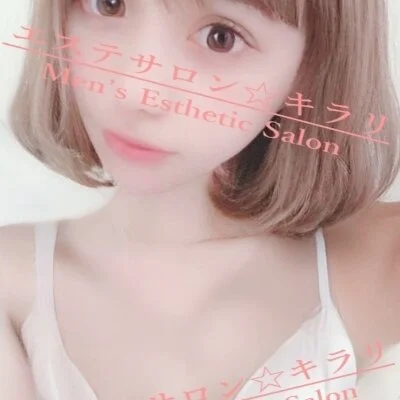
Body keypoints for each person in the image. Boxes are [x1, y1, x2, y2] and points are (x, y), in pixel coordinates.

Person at [1, 0, 400, 399]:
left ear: (312, 64)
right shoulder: (12, 281)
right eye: (109, 5)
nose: (134, 91)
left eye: (220, 38)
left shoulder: (377, 261)